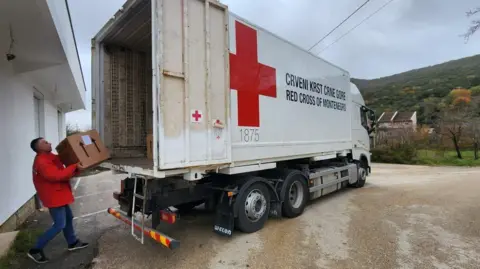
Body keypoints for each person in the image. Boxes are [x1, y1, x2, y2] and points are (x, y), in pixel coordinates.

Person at [27, 137, 89, 264]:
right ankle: (35, 249)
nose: (49, 142)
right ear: (39, 148)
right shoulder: (42, 162)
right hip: (53, 196)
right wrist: (74, 166)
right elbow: (57, 176)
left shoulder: (50, 157)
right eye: (45, 142)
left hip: (58, 194)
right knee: (60, 224)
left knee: (69, 217)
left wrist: (76, 168)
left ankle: (72, 242)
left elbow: (63, 171)